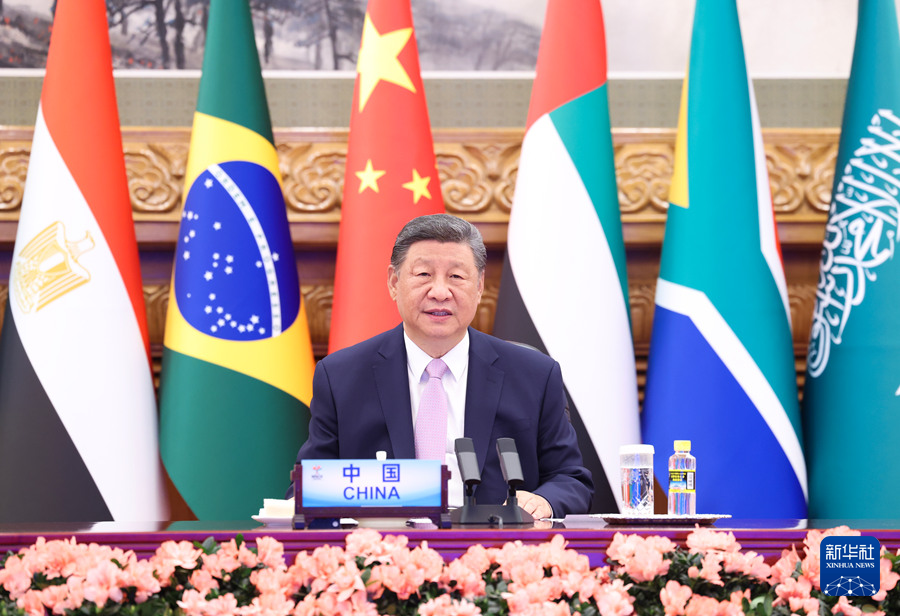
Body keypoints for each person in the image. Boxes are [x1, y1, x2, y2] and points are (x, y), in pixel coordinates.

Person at [296, 214, 593, 518]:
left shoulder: (534, 375)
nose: (440, 292)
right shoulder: (342, 376)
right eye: (424, 274)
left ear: (479, 286)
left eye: (456, 277)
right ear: (394, 283)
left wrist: (543, 501)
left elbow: (570, 479)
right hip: (386, 542)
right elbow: (307, 487)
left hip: (497, 543)